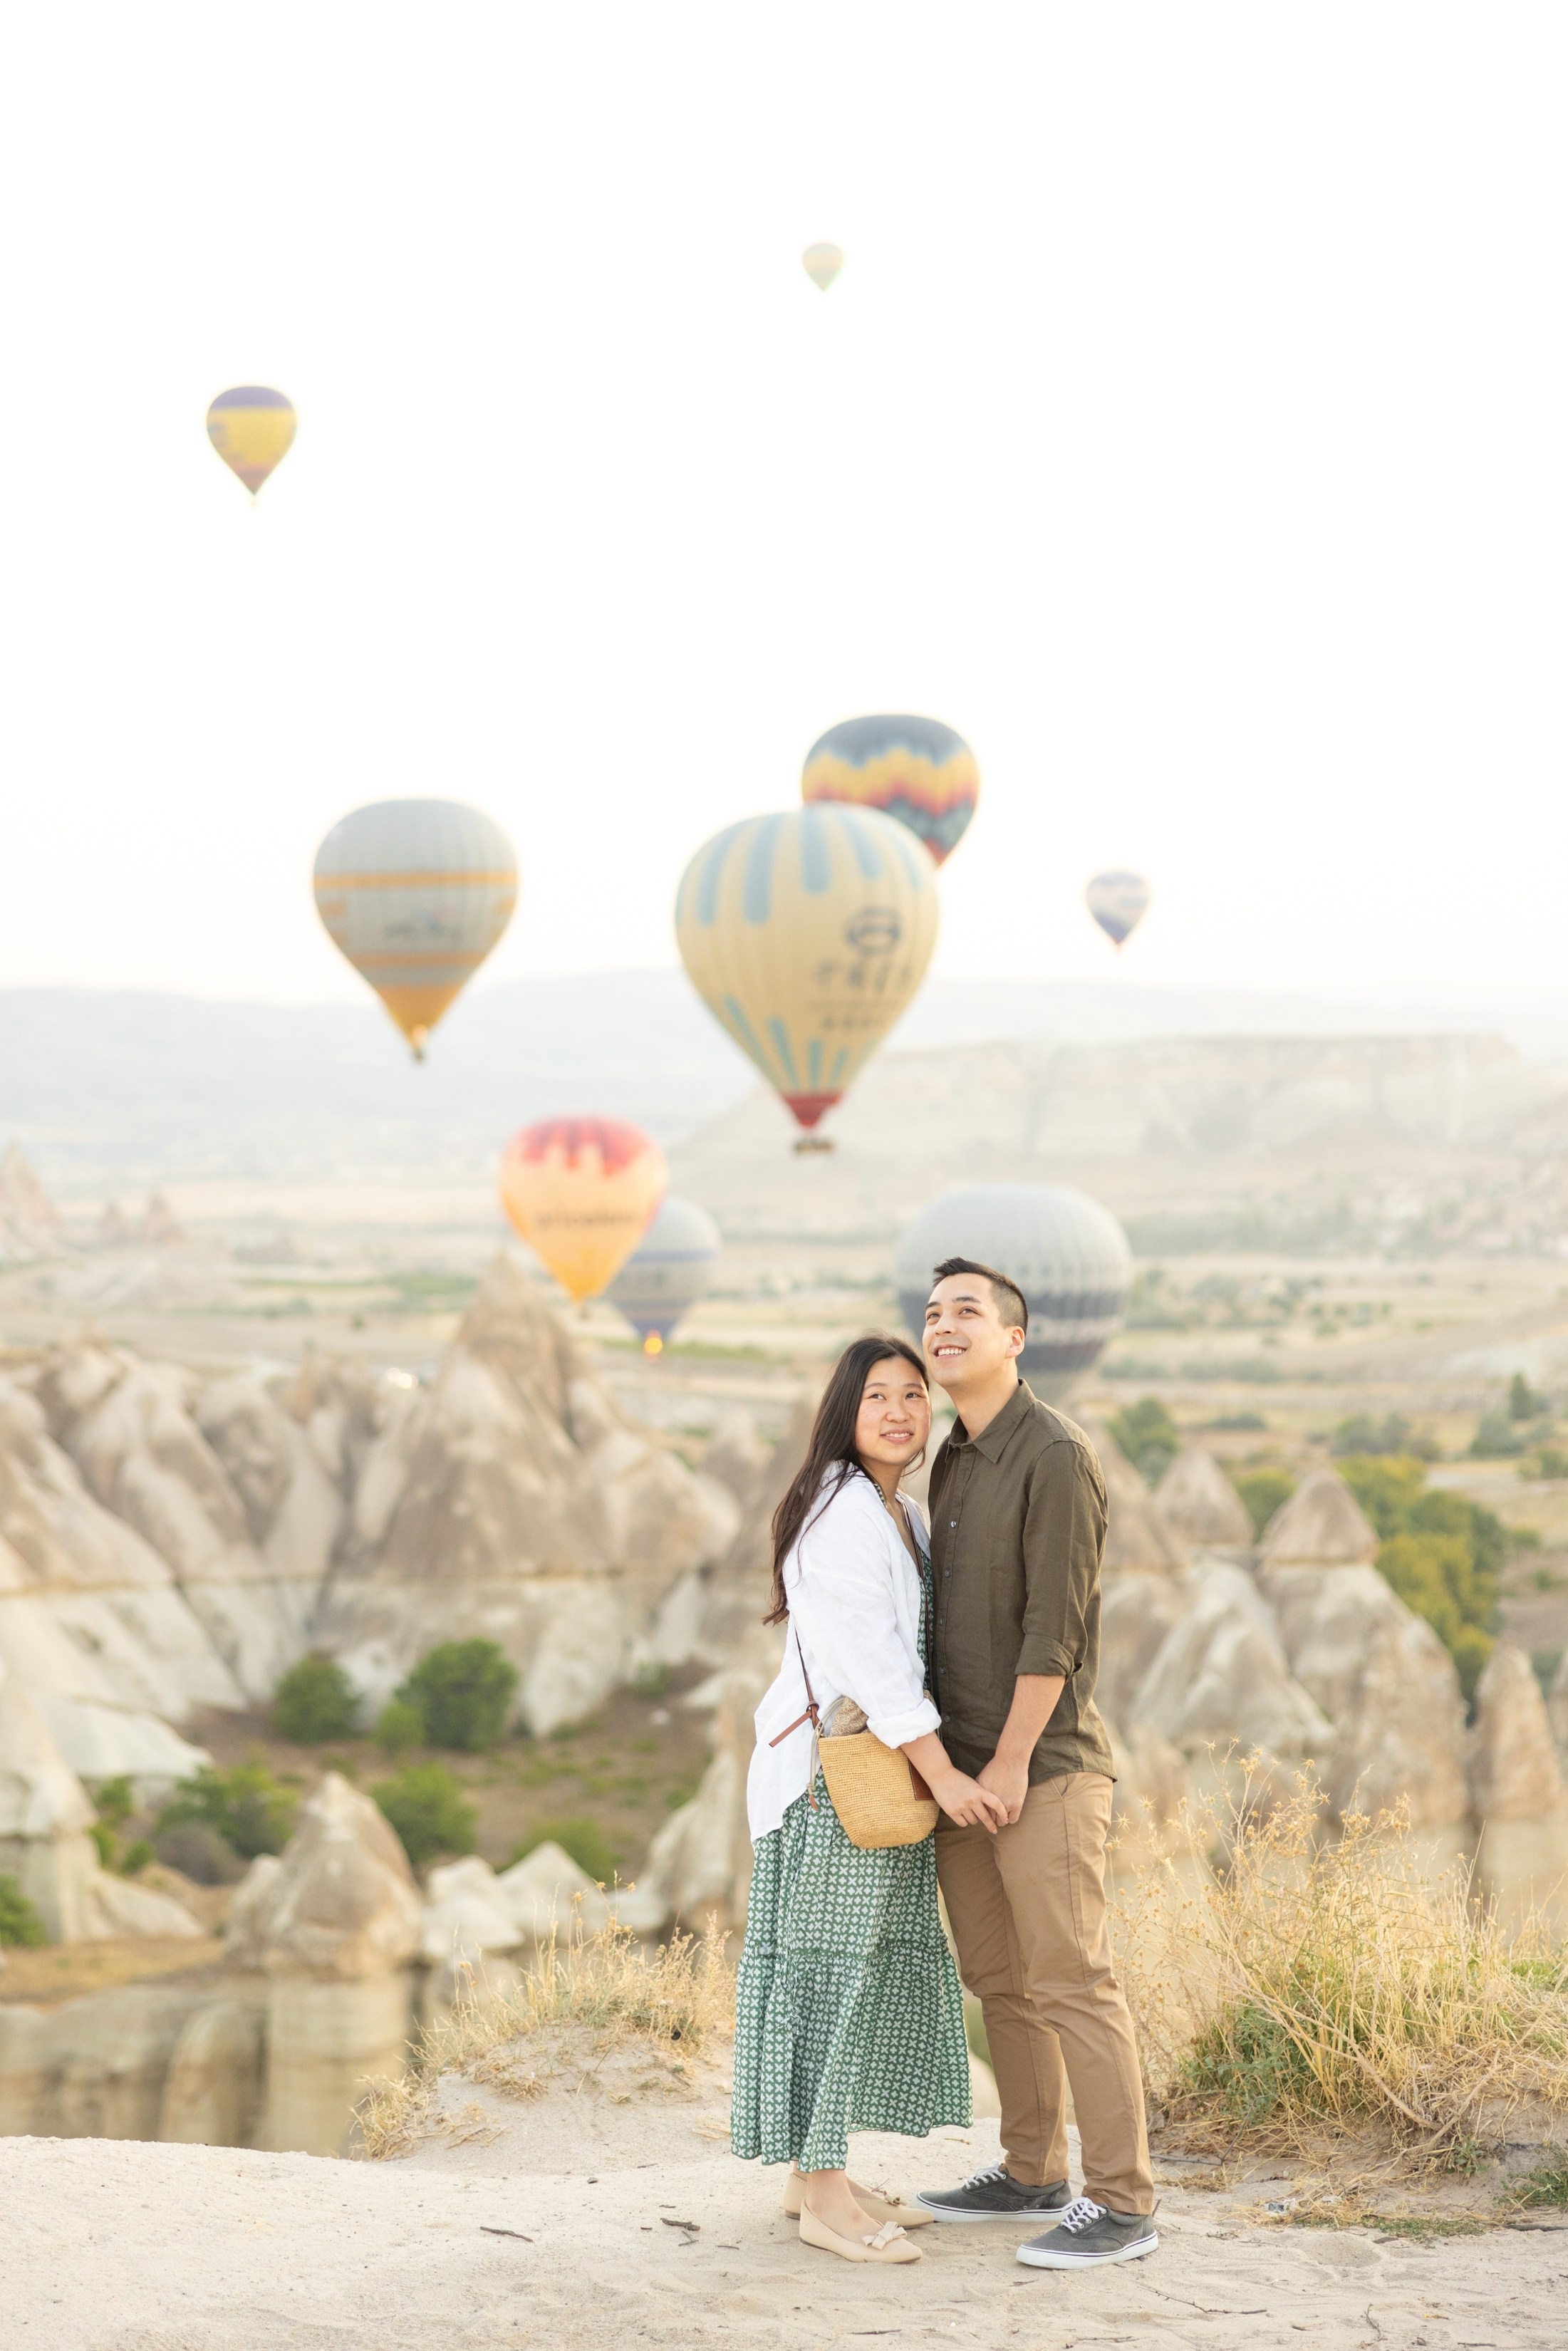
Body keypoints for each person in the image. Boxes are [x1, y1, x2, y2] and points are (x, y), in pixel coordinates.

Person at [730, 1332, 1011, 2266]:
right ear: (843, 1414)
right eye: (876, 1397)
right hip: (832, 1785)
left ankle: (813, 2176)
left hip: (871, 1779)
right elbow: (876, 1665)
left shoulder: (902, 1513)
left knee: (853, 1970)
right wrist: (946, 1776)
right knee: (828, 1977)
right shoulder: (840, 1512)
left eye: (912, 1395)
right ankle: (824, 2199)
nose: (898, 1412)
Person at [913, 1256, 1158, 2270]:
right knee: (999, 1980)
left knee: (1071, 1980)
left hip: (1041, 1766)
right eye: (931, 1312)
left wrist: (1011, 1762)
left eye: (966, 1312)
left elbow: (1055, 1630)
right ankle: (1030, 2171)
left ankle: (1124, 2203)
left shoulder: (1055, 1453)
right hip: (961, 1770)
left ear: (1015, 1339)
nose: (942, 1326)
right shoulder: (952, 1456)